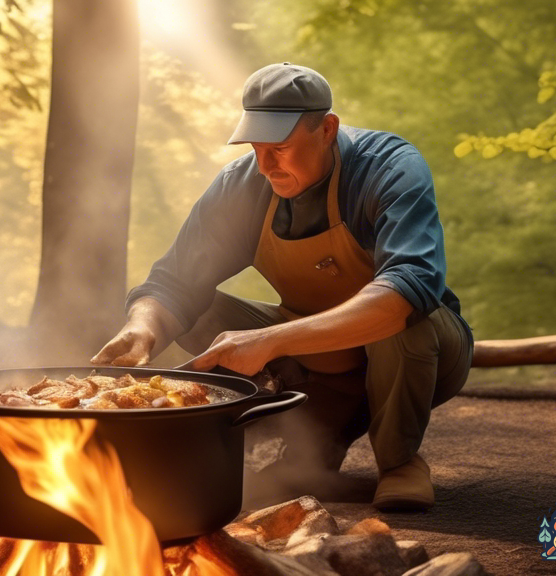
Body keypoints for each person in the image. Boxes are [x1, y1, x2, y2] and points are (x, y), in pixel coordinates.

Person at [91, 62, 473, 511]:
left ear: (327, 129)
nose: (265, 163)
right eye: (255, 147)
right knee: (202, 310)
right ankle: (317, 433)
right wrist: (143, 327)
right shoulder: (243, 184)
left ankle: (400, 461)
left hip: (423, 353)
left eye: (280, 147)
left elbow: (407, 291)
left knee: (401, 323)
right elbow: (174, 281)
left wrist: (269, 341)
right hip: (316, 359)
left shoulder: (388, 167)